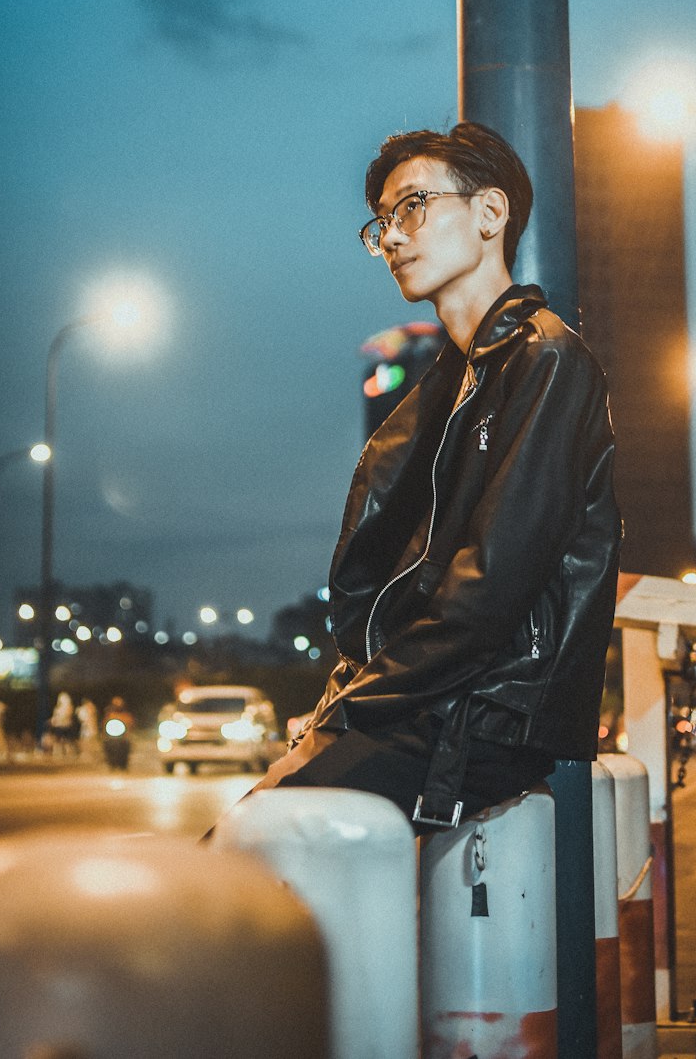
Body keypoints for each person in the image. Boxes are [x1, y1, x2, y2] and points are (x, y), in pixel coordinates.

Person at [240, 121, 621, 832]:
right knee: (247, 845)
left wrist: (354, 706)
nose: (390, 237)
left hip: (483, 712)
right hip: (428, 701)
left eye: (412, 206)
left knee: (260, 844)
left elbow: (486, 591)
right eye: (382, 222)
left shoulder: (546, 362)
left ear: (489, 213)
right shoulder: (446, 390)